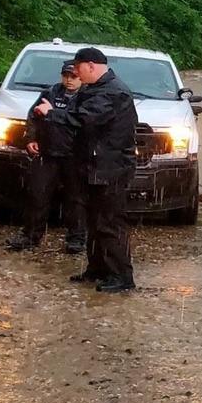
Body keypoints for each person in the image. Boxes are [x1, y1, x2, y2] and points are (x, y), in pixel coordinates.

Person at [33, 47, 139, 293]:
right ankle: (98, 269)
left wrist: (52, 114)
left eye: (78, 69)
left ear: (90, 66)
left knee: (109, 223)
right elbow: (73, 114)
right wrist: (52, 114)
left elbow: (83, 119)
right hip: (92, 166)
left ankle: (122, 276)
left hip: (110, 168)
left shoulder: (113, 92)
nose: (76, 75)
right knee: (94, 221)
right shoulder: (94, 89)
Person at [6, 61, 87, 254]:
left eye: (73, 76)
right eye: (66, 76)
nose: (69, 80)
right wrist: (31, 138)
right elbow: (33, 117)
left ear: (81, 78)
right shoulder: (50, 93)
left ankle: (76, 239)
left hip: (74, 156)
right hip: (47, 153)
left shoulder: (87, 97)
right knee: (37, 194)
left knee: (76, 199)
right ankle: (30, 236)